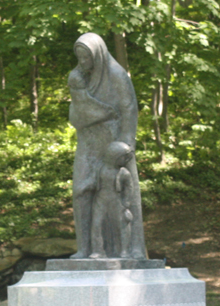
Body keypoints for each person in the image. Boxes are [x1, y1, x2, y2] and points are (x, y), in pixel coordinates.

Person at [68, 32, 147, 260]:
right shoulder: (80, 76)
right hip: (88, 141)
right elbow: (78, 111)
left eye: (86, 57)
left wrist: (126, 144)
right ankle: (84, 248)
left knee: (123, 194)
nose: (82, 63)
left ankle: (132, 249)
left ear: (98, 55)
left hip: (114, 143)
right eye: (79, 57)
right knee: (81, 190)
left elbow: (129, 109)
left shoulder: (117, 75)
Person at [90, 141, 134, 259]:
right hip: (101, 200)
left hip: (117, 201)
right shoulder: (100, 169)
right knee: (97, 225)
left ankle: (124, 251)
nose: (126, 160)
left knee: (122, 225)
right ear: (115, 157)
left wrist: (126, 202)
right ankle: (98, 251)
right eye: (124, 157)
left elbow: (129, 188)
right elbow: (93, 182)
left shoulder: (124, 173)